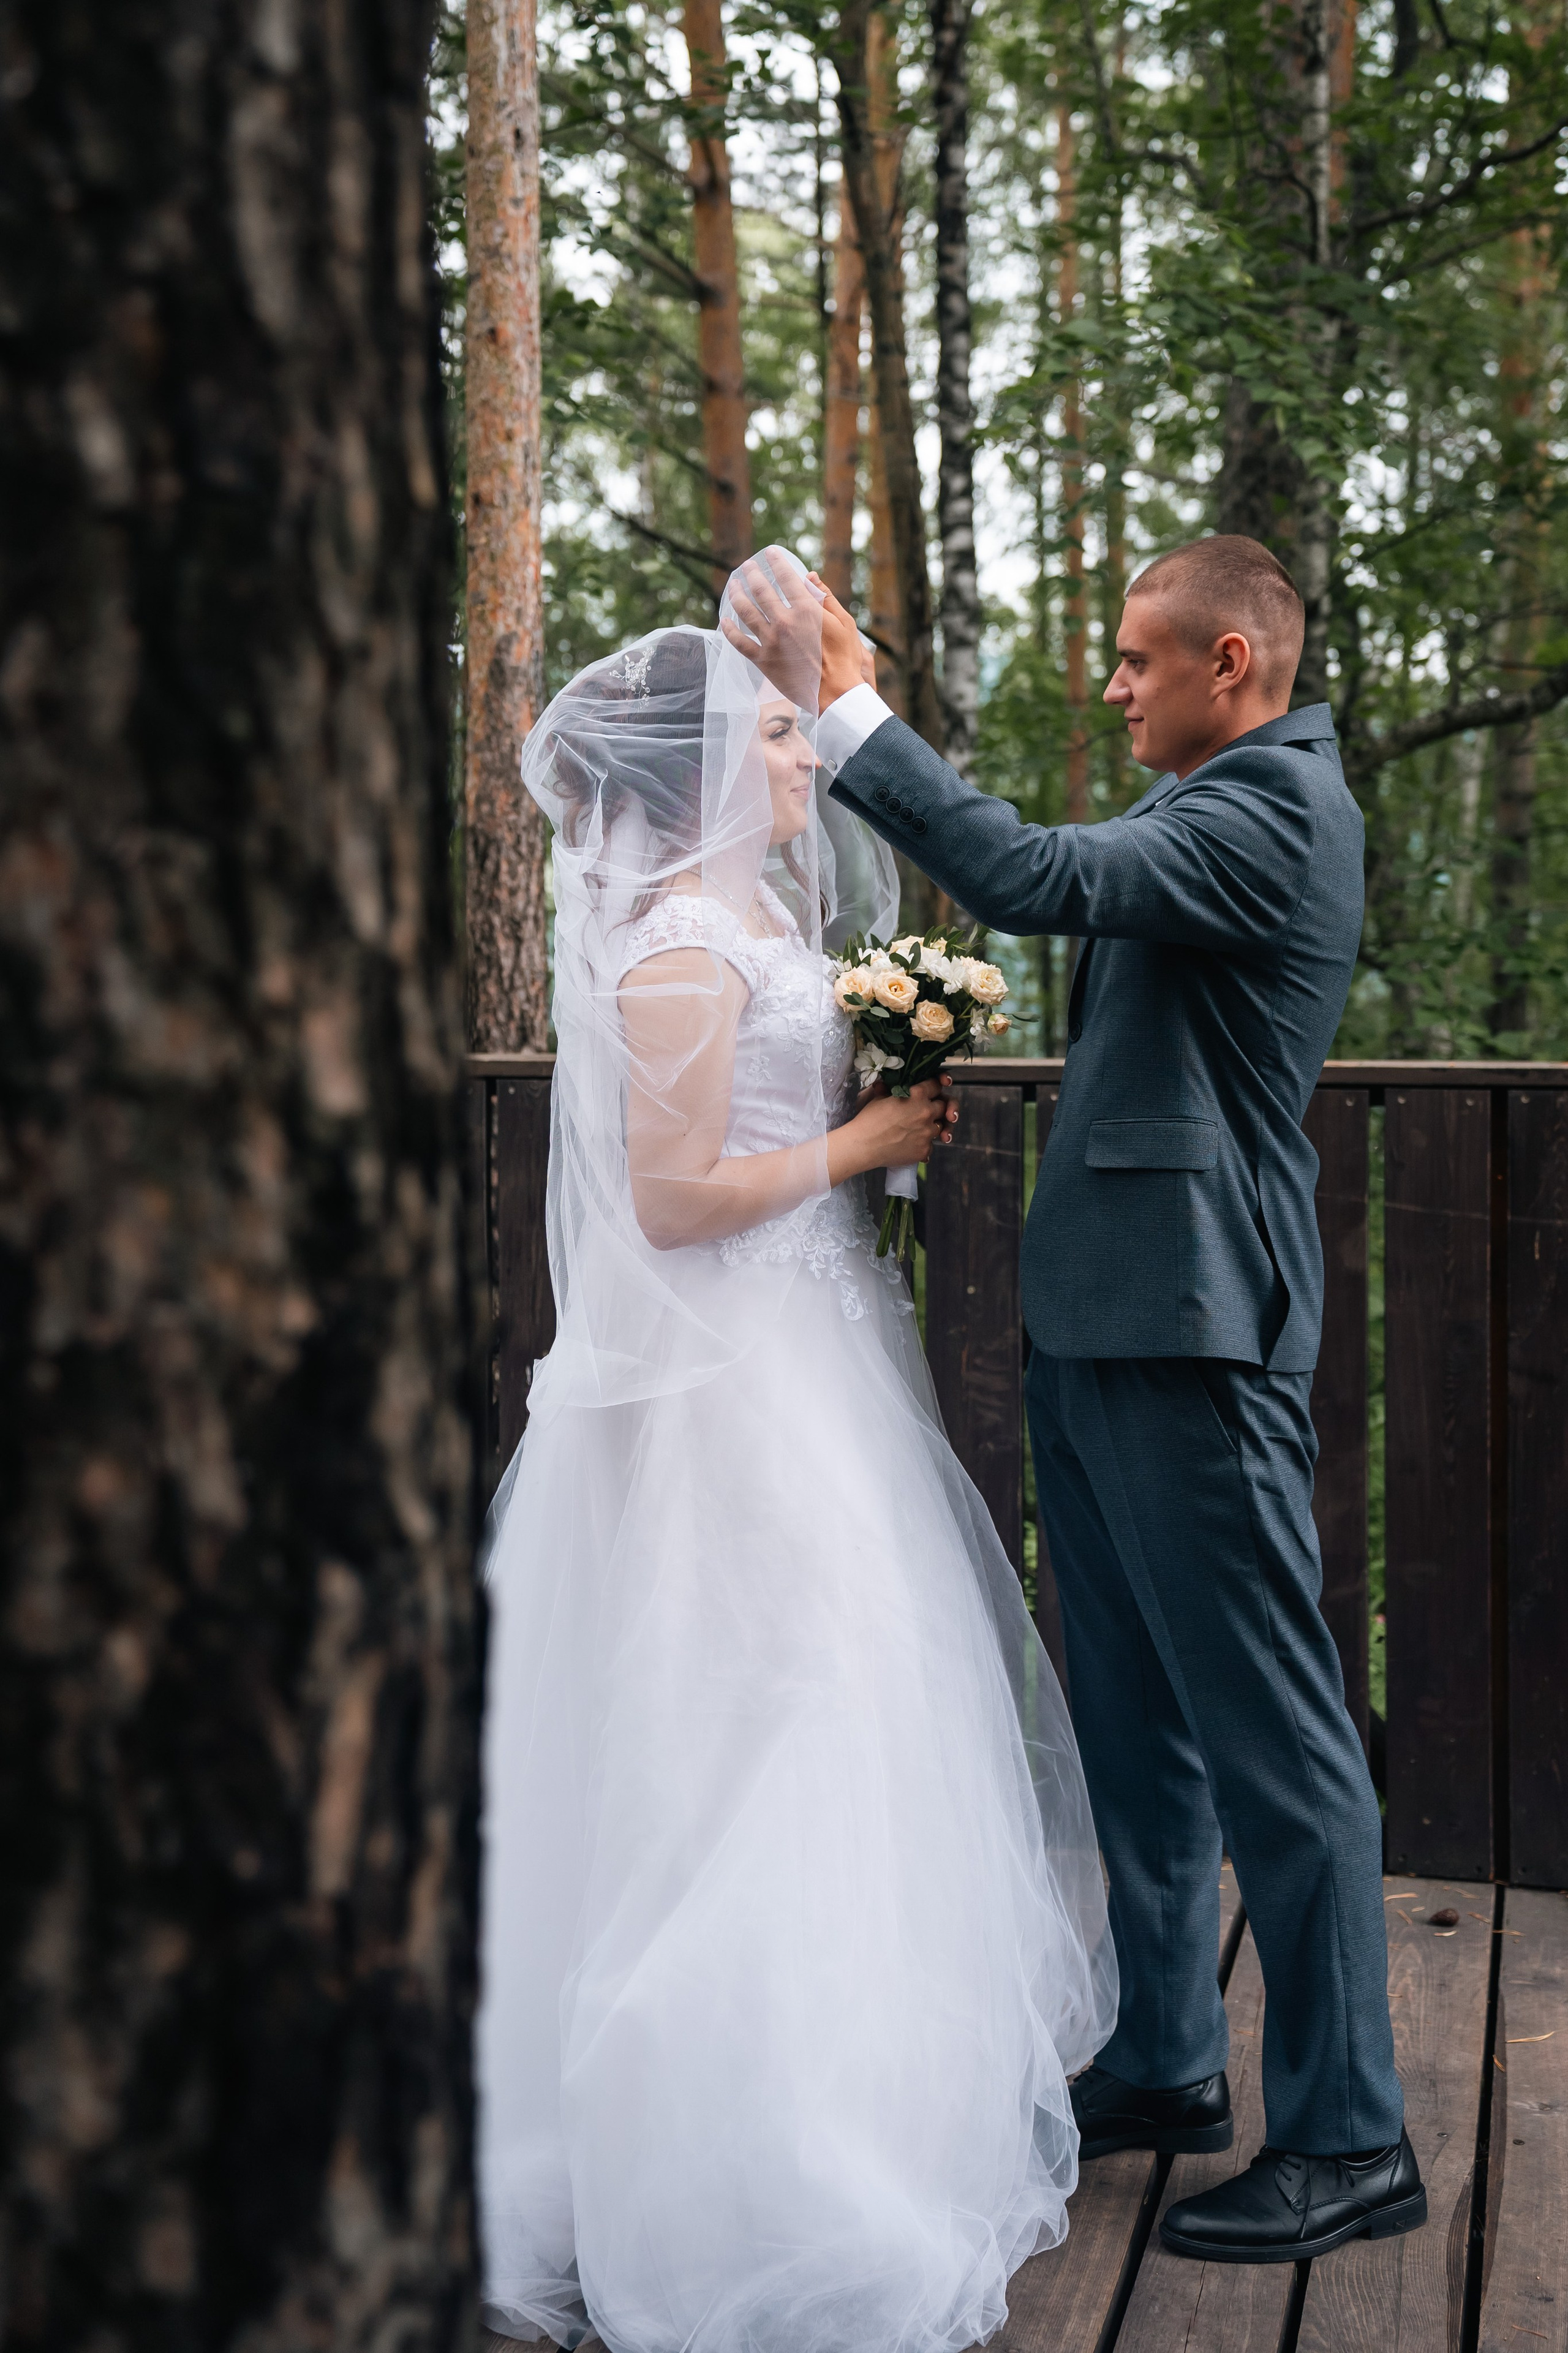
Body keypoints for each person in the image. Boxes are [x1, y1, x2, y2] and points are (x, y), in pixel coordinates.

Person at [723, 534, 1427, 2268]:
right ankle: (1175, 2058)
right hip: (1113, 1323)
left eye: (1133, 660)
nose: (1110, 686)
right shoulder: (1218, 801)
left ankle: (1353, 2136)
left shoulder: (1267, 810)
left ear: (1233, 667)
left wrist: (850, 697)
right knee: (1138, 1727)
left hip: (1195, 1336)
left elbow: (1031, 874)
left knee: (1279, 1742)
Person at [477, 554, 1118, 2353]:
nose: (794, 758)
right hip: (725, 1388)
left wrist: (882, 1096)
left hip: (813, 1358)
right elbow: (675, 1201)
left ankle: (828, 2123)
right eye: (770, 731)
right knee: (744, 1724)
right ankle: (716, 2164)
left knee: (848, 1710)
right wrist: (860, 1149)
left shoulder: (761, 934)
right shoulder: (681, 942)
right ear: (694, 768)